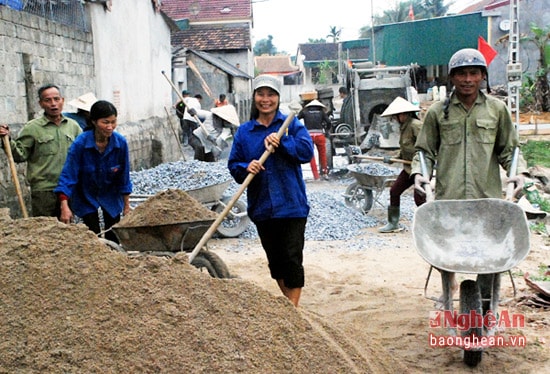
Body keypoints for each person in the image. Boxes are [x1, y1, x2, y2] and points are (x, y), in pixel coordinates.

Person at [410, 48, 528, 309]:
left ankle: (488, 303)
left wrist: (517, 173)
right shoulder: (437, 113)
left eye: (473, 73)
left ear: (482, 77)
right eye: (461, 74)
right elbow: (424, 151)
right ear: (452, 78)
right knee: (446, 252)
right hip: (449, 200)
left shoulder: (497, 110)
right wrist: (420, 173)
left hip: (487, 200)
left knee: (490, 257)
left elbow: (510, 150)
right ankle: (448, 289)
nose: (467, 79)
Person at [228, 75, 314, 307]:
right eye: (261, 94)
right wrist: (248, 166)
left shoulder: (290, 124)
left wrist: (283, 143)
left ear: (278, 98)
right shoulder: (245, 132)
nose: (265, 100)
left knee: (292, 259)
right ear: (254, 97)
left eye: (271, 95)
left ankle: (292, 311)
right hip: (263, 206)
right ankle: (290, 305)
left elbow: (306, 152)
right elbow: (234, 166)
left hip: (291, 205)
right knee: (276, 264)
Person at [54, 100, 132, 243]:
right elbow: (68, 176)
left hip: (110, 193)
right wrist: (64, 206)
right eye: (105, 122)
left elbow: (124, 177)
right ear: (94, 122)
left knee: (113, 232)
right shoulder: (80, 144)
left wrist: (127, 206)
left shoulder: (120, 143)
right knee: (92, 234)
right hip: (86, 194)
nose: (110, 127)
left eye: (113, 122)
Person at [0, 84, 82, 217]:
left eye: (56, 99)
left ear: (63, 100)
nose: (53, 104)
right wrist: (7, 140)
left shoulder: (73, 127)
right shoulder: (32, 128)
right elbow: (20, 155)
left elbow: (82, 155)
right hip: (44, 190)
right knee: (45, 231)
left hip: (68, 188)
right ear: (41, 103)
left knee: (69, 231)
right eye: (48, 100)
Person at [377, 97, 425, 233]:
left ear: (405, 114)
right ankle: (393, 223)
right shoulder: (404, 127)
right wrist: (394, 158)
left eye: (397, 116)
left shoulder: (415, 125)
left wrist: (419, 164)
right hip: (408, 168)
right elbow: (405, 148)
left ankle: (427, 225)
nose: (396, 119)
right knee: (394, 191)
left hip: (419, 167)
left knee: (419, 198)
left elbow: (424, 147)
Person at [297, 99, 331, 180]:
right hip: (320, 135)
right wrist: (326, 131)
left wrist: (300, 131)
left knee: (311, 156)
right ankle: (325, 173)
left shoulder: (305, 112)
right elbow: (328, 122)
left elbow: (296, 119)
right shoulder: (321, 112)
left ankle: (316, 176)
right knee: (322, 154)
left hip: (308, 136)